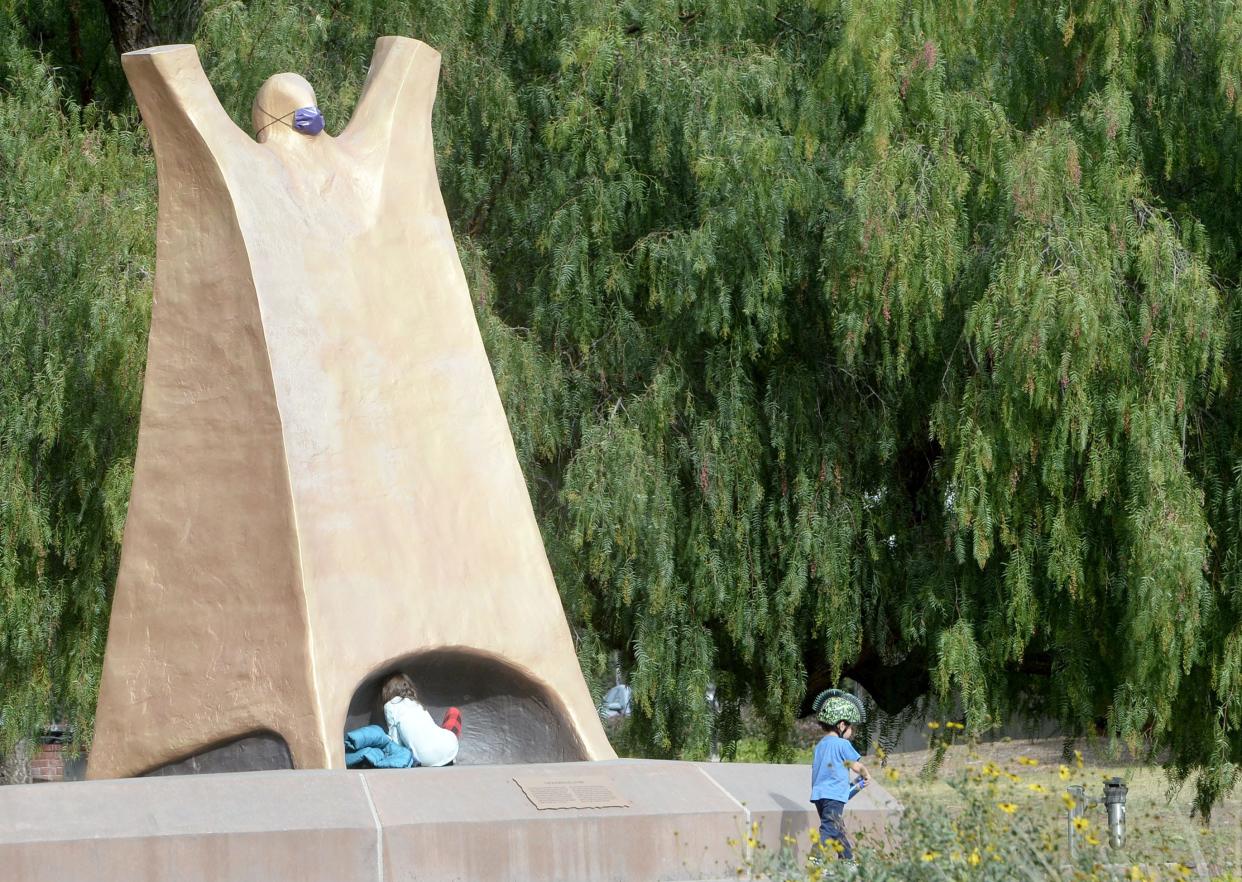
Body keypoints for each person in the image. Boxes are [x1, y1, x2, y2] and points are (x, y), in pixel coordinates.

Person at [809, 688, 871, 861]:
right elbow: (856, 766)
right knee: (829, 828)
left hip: (819, 795)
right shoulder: (842, 744)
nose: (851, 731)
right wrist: (866, 774)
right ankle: (815, 860)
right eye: (851, 726)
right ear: (841, 725)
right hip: (834, 796)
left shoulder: (820, 745)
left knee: (838, 829)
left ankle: (847, 860)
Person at [380, 673, 463, 767]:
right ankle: (448, 757)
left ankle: (442, 756)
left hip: (426, 759)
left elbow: (395, 741)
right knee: (454, 712)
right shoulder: (415, 703)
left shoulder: (390, 706)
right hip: (448, 748)